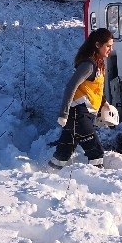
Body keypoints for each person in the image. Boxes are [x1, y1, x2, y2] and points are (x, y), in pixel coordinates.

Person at [50, 28, 113, 169]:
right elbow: (71, 86)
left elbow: (94, 88)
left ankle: (48, 174)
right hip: (79, 114)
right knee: (96, 152)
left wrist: (104, 103)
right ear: (98, 45)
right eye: (108, 46)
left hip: (84, 114)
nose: (111, 49)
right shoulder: (88, 65)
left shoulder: (98, 64)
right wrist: (63, 114)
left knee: (63, 153)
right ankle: (96, 179)